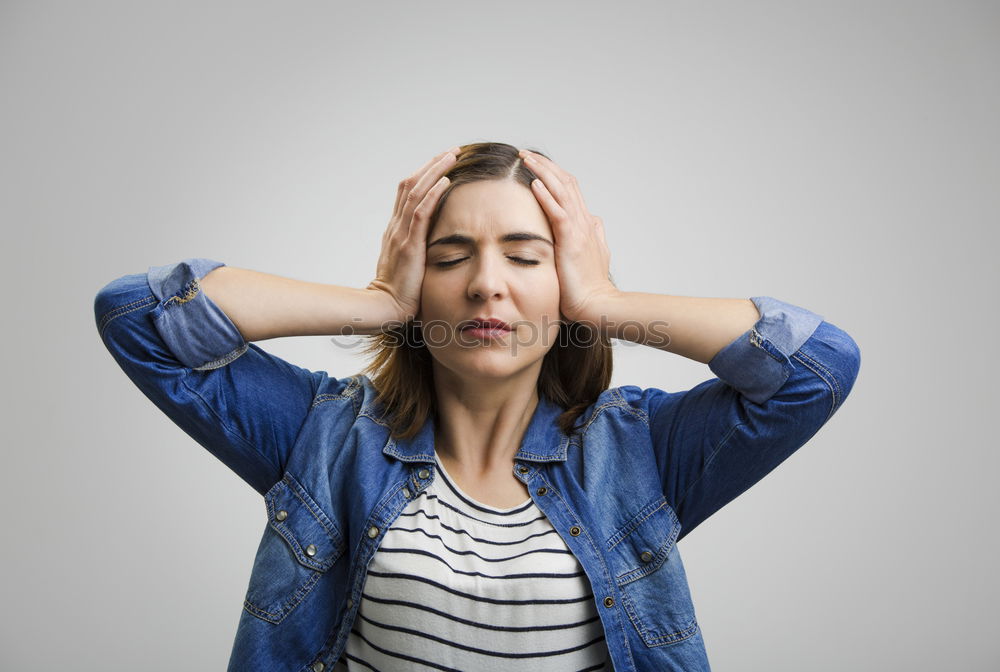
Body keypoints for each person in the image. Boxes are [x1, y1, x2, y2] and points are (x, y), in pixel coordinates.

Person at [93, 141, 861, 672]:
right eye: (449, 256)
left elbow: (816, 366)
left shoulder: (643, 452)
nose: (486, 284)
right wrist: (375, 302)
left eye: (527, 258)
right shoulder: (323, 435)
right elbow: (139, 316)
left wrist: (604, 299)